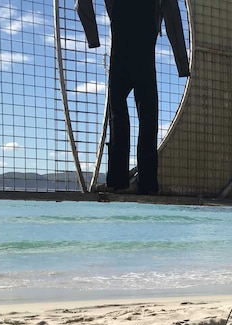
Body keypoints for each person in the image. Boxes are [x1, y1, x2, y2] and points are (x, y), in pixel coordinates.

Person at [76, 0, 190, 195]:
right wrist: (181, 63)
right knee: (148, 120)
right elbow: (172, 16)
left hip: (121, 55)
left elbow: (81, 5)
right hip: (144, 57)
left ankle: (118, 182)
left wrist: (93, 38)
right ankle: (147, 184)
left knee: (119, 118)